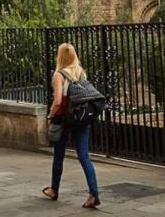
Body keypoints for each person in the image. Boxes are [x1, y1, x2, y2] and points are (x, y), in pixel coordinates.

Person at [43, 43, 100, 209]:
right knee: (84, 156)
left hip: (64, 120)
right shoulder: (80, 72)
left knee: (59, 156)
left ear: (60, 56)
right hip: (81, 119)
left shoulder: (59, 75)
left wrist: (50, 116)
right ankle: (94, 194)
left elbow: (58, 101)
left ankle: (54, 190)